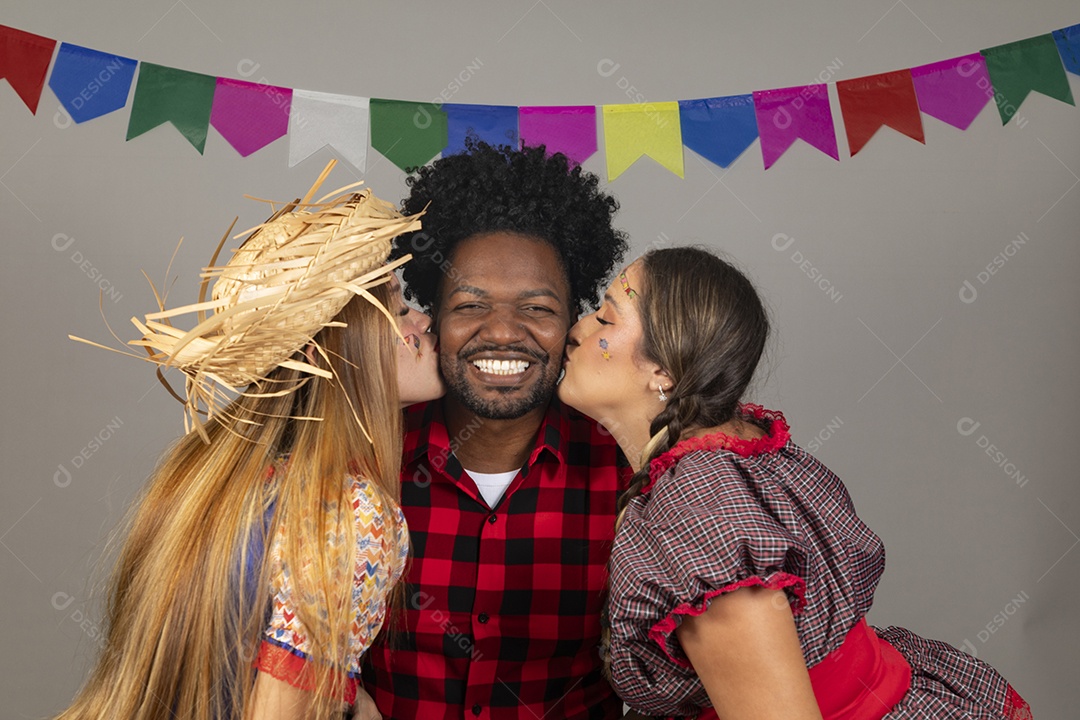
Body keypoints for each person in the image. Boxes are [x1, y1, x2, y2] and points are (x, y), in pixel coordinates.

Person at [557, 246, 1032, 720]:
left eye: (605, 318)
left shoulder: (698, 511)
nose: (576, 330)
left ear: (663, 370)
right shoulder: (736, 448)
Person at [56, 164, 444, 720]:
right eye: (398, 308)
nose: (423, 321)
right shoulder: (350, 514)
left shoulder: (201, 470)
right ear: (324, 354)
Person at [359, 141, 634, 720]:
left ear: (573, 322)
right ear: (432, 317)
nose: (504, 333)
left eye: (537, 309)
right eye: (470, 305)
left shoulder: (629, 473)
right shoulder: (361, 457)